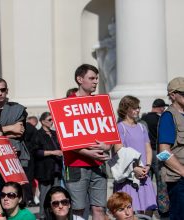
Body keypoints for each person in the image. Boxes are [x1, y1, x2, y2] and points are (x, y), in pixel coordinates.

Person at [64, 64, 111, 219]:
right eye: (91, 78)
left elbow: (108, 133)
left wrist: (107, 145)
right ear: (80, 79)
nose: (95, 82)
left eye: (96, 78)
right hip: (76, 165)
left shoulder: (100, 103)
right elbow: (65, 140)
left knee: (99, 208)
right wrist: (89, 153)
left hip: (98, 165)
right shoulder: (66, 105)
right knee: (78, 208)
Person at [114, 95, 157, 217]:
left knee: (148, 208)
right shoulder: (120, 127)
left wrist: (147, 166)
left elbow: (148, 149)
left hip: (144, 174)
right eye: (135, 107)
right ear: (126, 109)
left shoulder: (142, 127)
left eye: (138, 107)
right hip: (128, 177)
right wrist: (134, 169)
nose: (138, 110)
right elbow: (119, 152)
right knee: (128, 211)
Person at [0, 78, 31, 203]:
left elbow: (19, 132)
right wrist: (9, 129)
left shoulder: (17, 108)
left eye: (3, 90)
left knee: (13, 190)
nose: (0, 93)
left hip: (13, 154)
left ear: (7, 91)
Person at [158, 77, 184, 219]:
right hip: (179, 180)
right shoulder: (169, 116)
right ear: (173, 95)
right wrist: (183, 171)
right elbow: (163, 153)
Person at [33, 111, 63, 219]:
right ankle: (43, 215)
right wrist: (53, 152)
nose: (52, 122)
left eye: (52, 119)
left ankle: (54, 215)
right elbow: (36, 152)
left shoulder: (55, 133)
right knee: (45, 195)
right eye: (49, 120)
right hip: (45, 169)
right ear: (42, 121)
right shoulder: (38, 134)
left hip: (56, 168)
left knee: (56, 194)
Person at [141, 98, 168, 183]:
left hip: (146, 152)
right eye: (163, 108)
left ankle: (149, 196)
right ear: (160, 108)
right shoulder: (161, 119)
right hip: (158, 151)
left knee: (146, 180)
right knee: (161, 179)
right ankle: (161, 196)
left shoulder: (143, 118)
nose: (164, 110)